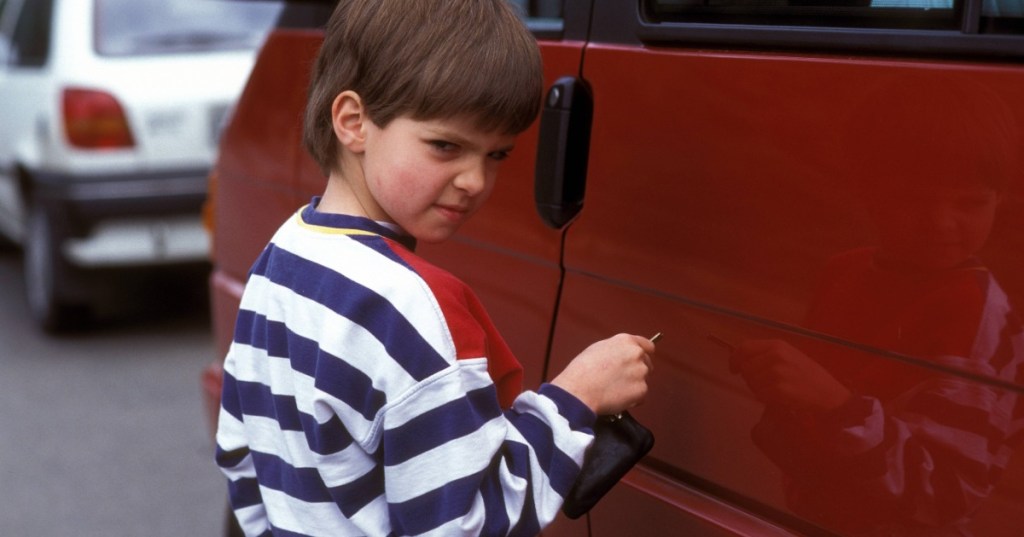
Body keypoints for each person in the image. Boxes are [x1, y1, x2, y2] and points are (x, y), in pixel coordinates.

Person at [214, 1, 655, 536]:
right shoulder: (413, 308)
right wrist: (577, 397)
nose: (474, 180)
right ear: (353, 122)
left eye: (497, 155)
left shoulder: (281, 257)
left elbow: (241, 454)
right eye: (446, 146)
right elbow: (461, 525)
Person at [728, 74, 1024, 536]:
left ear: (999, 201)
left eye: (970, 203)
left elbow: (946, 491)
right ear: (865, 190)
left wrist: (833, 402)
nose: (941, 223)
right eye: (912, 199)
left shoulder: (976, 316)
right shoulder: (847, 271)